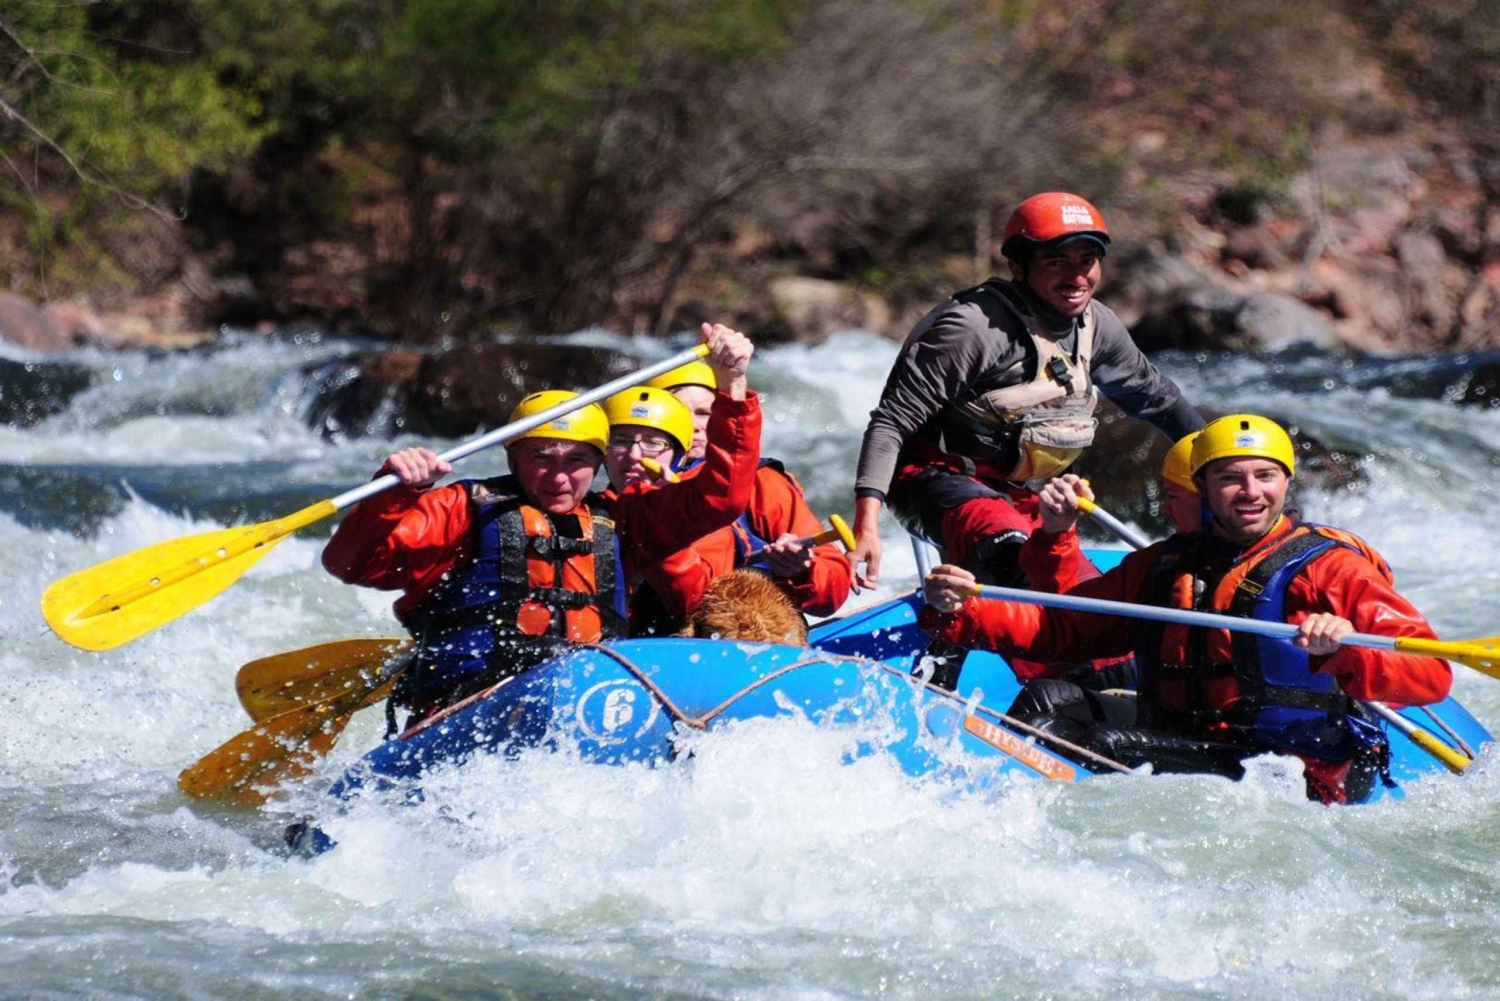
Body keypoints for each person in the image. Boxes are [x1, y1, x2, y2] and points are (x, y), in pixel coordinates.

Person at [920, 414, 1452, 803]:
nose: (1250, 492)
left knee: (1107, 743)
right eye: (1230, 478)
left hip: (1291, 766)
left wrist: (1345, 651)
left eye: (1265, 476)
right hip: (1189, 734)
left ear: (1286, 483)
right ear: (1202, 488)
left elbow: (1430, 673)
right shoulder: (1166, 564)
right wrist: (966, 609)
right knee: (1048, 699)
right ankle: (995, 818)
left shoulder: (1329, 568)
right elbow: (1067, 629)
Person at [322, 323, 760, 723]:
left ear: (599, 463)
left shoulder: (626, 519)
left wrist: (732, 382)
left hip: (583, 705)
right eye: (542, 458)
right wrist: (394, 493)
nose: (559, 477)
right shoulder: (460, 509)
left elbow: (722, 495)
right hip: (466, 707)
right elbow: (353, 564)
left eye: (576, 461)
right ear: (513, 458)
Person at [848, 191, 1204, 593]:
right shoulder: (973, 328)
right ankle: (962, 636)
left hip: (1021, 493)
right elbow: (891, 423)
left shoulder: (1098, 326)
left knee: (1087, 611)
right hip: (933, 480)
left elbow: (1162, 402)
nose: (1077, 277)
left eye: (1087, 261)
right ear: (1018, 266)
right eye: (1056, 262)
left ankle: (963, 637)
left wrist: (1221, 467)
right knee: (1016, 569)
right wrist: (867, 527)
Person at [644, 360, 852, 620]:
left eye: (704, 414)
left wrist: (802, 570)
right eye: (681, 413)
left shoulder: (761, 483)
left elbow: (832, 592)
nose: (694, 426)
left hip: (753, 631)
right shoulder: (626, 487)